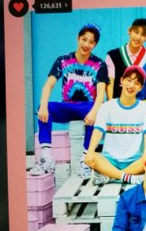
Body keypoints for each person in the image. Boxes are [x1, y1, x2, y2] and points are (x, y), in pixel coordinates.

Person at [31, 23, 108, 178]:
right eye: (84, 39)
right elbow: (49, 85)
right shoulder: (63, 60)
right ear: (78, 38)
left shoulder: (100, 64)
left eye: (91, 42)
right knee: (44, 107)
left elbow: (101, 93)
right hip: (67, 106)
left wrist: (93, 112)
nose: (86, 44)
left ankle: (85, 159)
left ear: (95, 44)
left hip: (87, 107)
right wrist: (44, 106)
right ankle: (46, 158)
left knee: (99, 111)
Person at [83, 66, 146, 185]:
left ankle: (111, 176)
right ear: (121, 80)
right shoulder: (106, 107)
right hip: (109, 161)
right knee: (92, 157)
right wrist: (90, 152)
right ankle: (127, 177)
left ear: (141, 87)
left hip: (134, 161)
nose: (131, 85)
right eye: (129, 80)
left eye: (136, 83)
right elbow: (98, 131)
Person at [105, 18, 146, 116]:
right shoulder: (113, 56)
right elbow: (110, 80)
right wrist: (110, 102)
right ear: (129, 31)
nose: (138, 37)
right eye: (136, 32)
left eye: (143, 35)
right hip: (118, 103)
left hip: (141, 105)